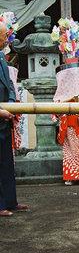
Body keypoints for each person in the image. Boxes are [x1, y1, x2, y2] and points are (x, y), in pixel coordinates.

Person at [0, 21, 28, 217]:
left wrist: (11, 102)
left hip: (5, 114)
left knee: (7, 162)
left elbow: (9, 83)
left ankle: (10, 200)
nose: (6, 39)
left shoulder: (2, 56)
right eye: (3, 36)